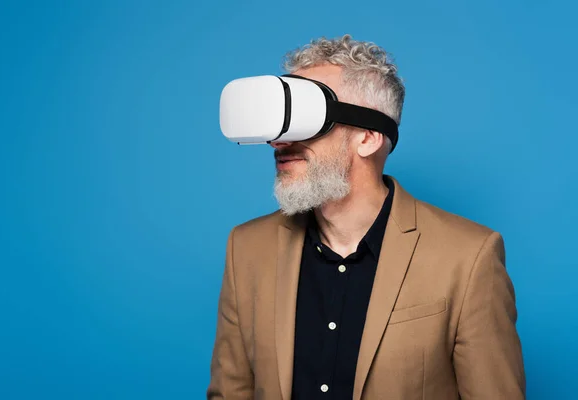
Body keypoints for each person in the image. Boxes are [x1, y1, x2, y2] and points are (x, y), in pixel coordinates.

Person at [207, 34, 525, 400]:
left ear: (369, 137)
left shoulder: (468, 258)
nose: (279, 142)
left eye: (304, 120)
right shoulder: (246, 249)